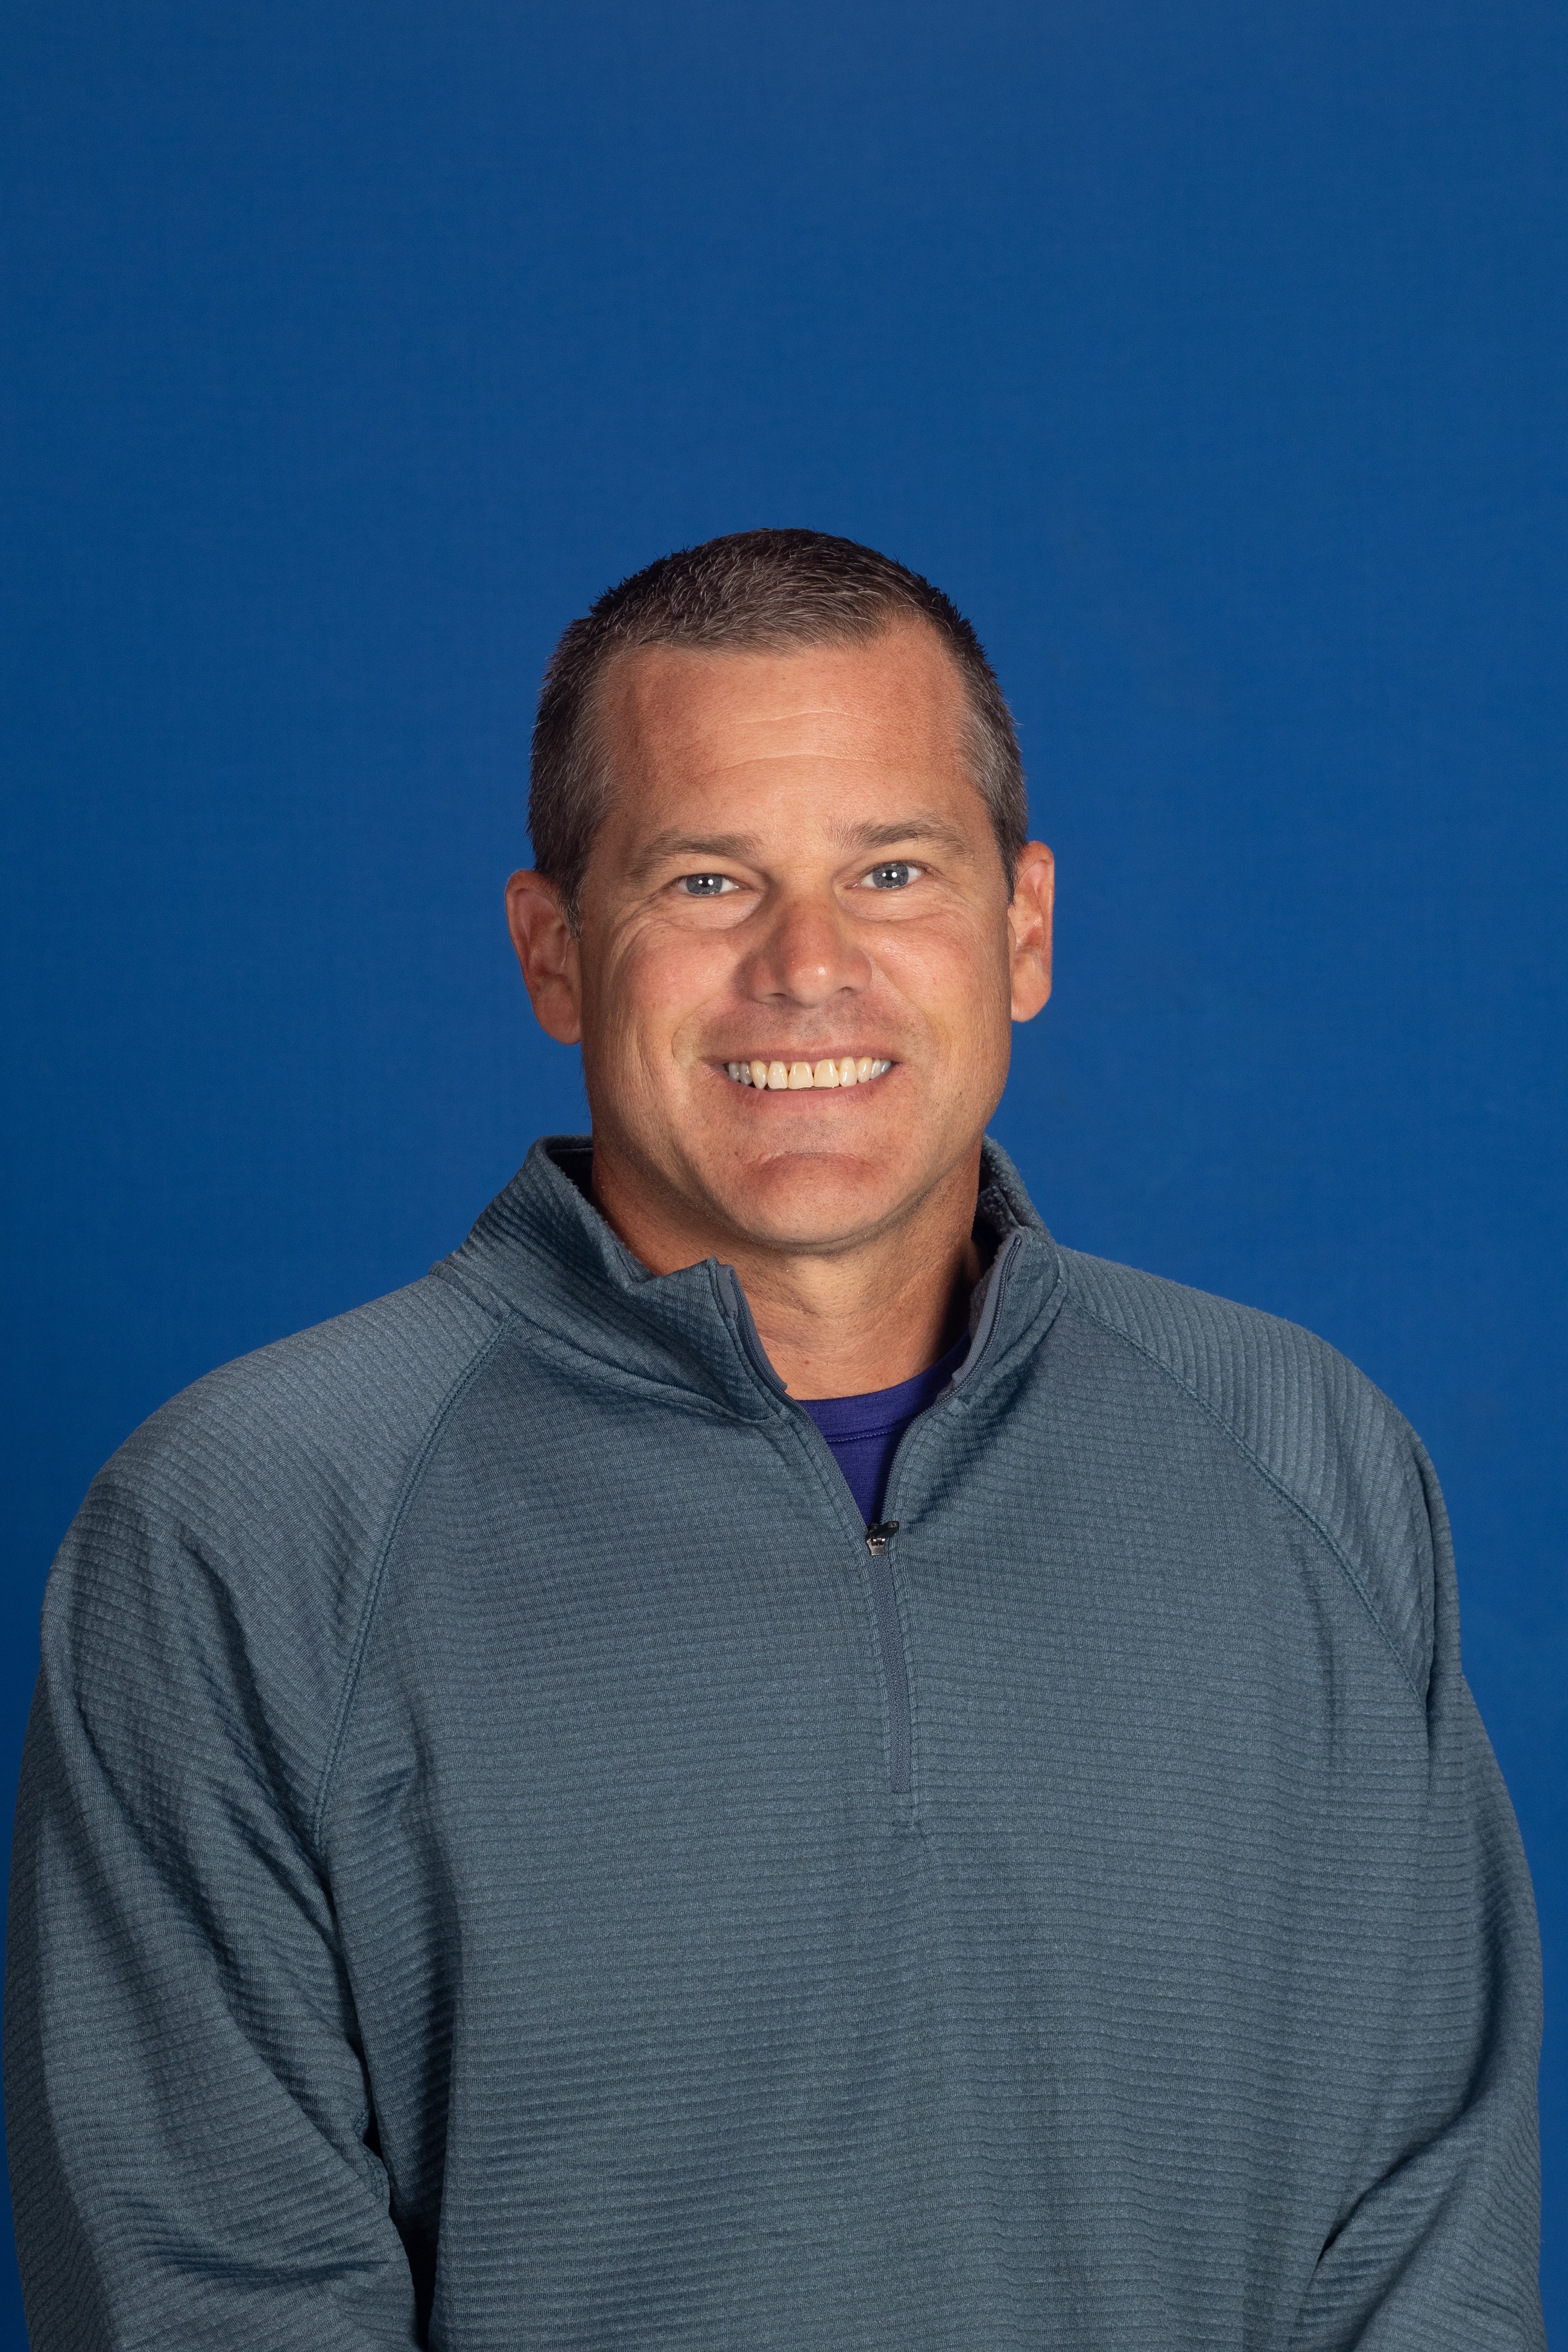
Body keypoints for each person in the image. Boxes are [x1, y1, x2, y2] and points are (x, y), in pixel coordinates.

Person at [5, 528, 1544, 2350]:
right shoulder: (245, 1527)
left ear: (1023, 927)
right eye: (707, 881)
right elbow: (215, 2292)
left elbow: (1426, 2244)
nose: (808, 967)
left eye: (892, 871)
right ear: (555, 952)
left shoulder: (1308, 1454)